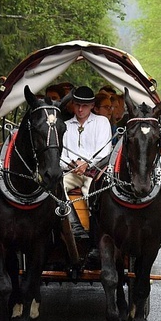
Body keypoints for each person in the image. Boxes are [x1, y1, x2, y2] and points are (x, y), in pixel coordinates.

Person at [60, 86, 113, 239]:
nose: (80, 109)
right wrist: (72, 164)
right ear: (73, 105)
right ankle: (75, 227)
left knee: (93, 195)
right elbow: (60, 156)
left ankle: (96, 239)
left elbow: (104, 153)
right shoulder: (66, 126)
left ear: (91, 106)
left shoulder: (102, 122)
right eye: (77, 105)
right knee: (57, 187)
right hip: (71, 172)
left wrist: (86, 164)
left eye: (84, 105)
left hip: (95, 174)